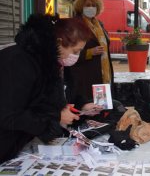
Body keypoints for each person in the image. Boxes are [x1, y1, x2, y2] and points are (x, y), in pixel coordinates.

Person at [0, 13, 91, 163]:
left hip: (16, 145)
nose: (77, 56)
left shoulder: (50, 61)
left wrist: (74, 106)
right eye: (75, 51)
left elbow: (42, 101)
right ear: (58, 42)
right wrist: (56, 116)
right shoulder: (19, 62)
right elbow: (9, 115)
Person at [64, 0, 114, 110]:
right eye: (87, 5)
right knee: (88, 109)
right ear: (81, 7)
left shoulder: (99, 24)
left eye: (93, 5)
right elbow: (68, 53)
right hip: (84, 76)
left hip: (102, 75)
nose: (91, 8)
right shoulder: (75, 24)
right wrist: (90, 52)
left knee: (101, 109)